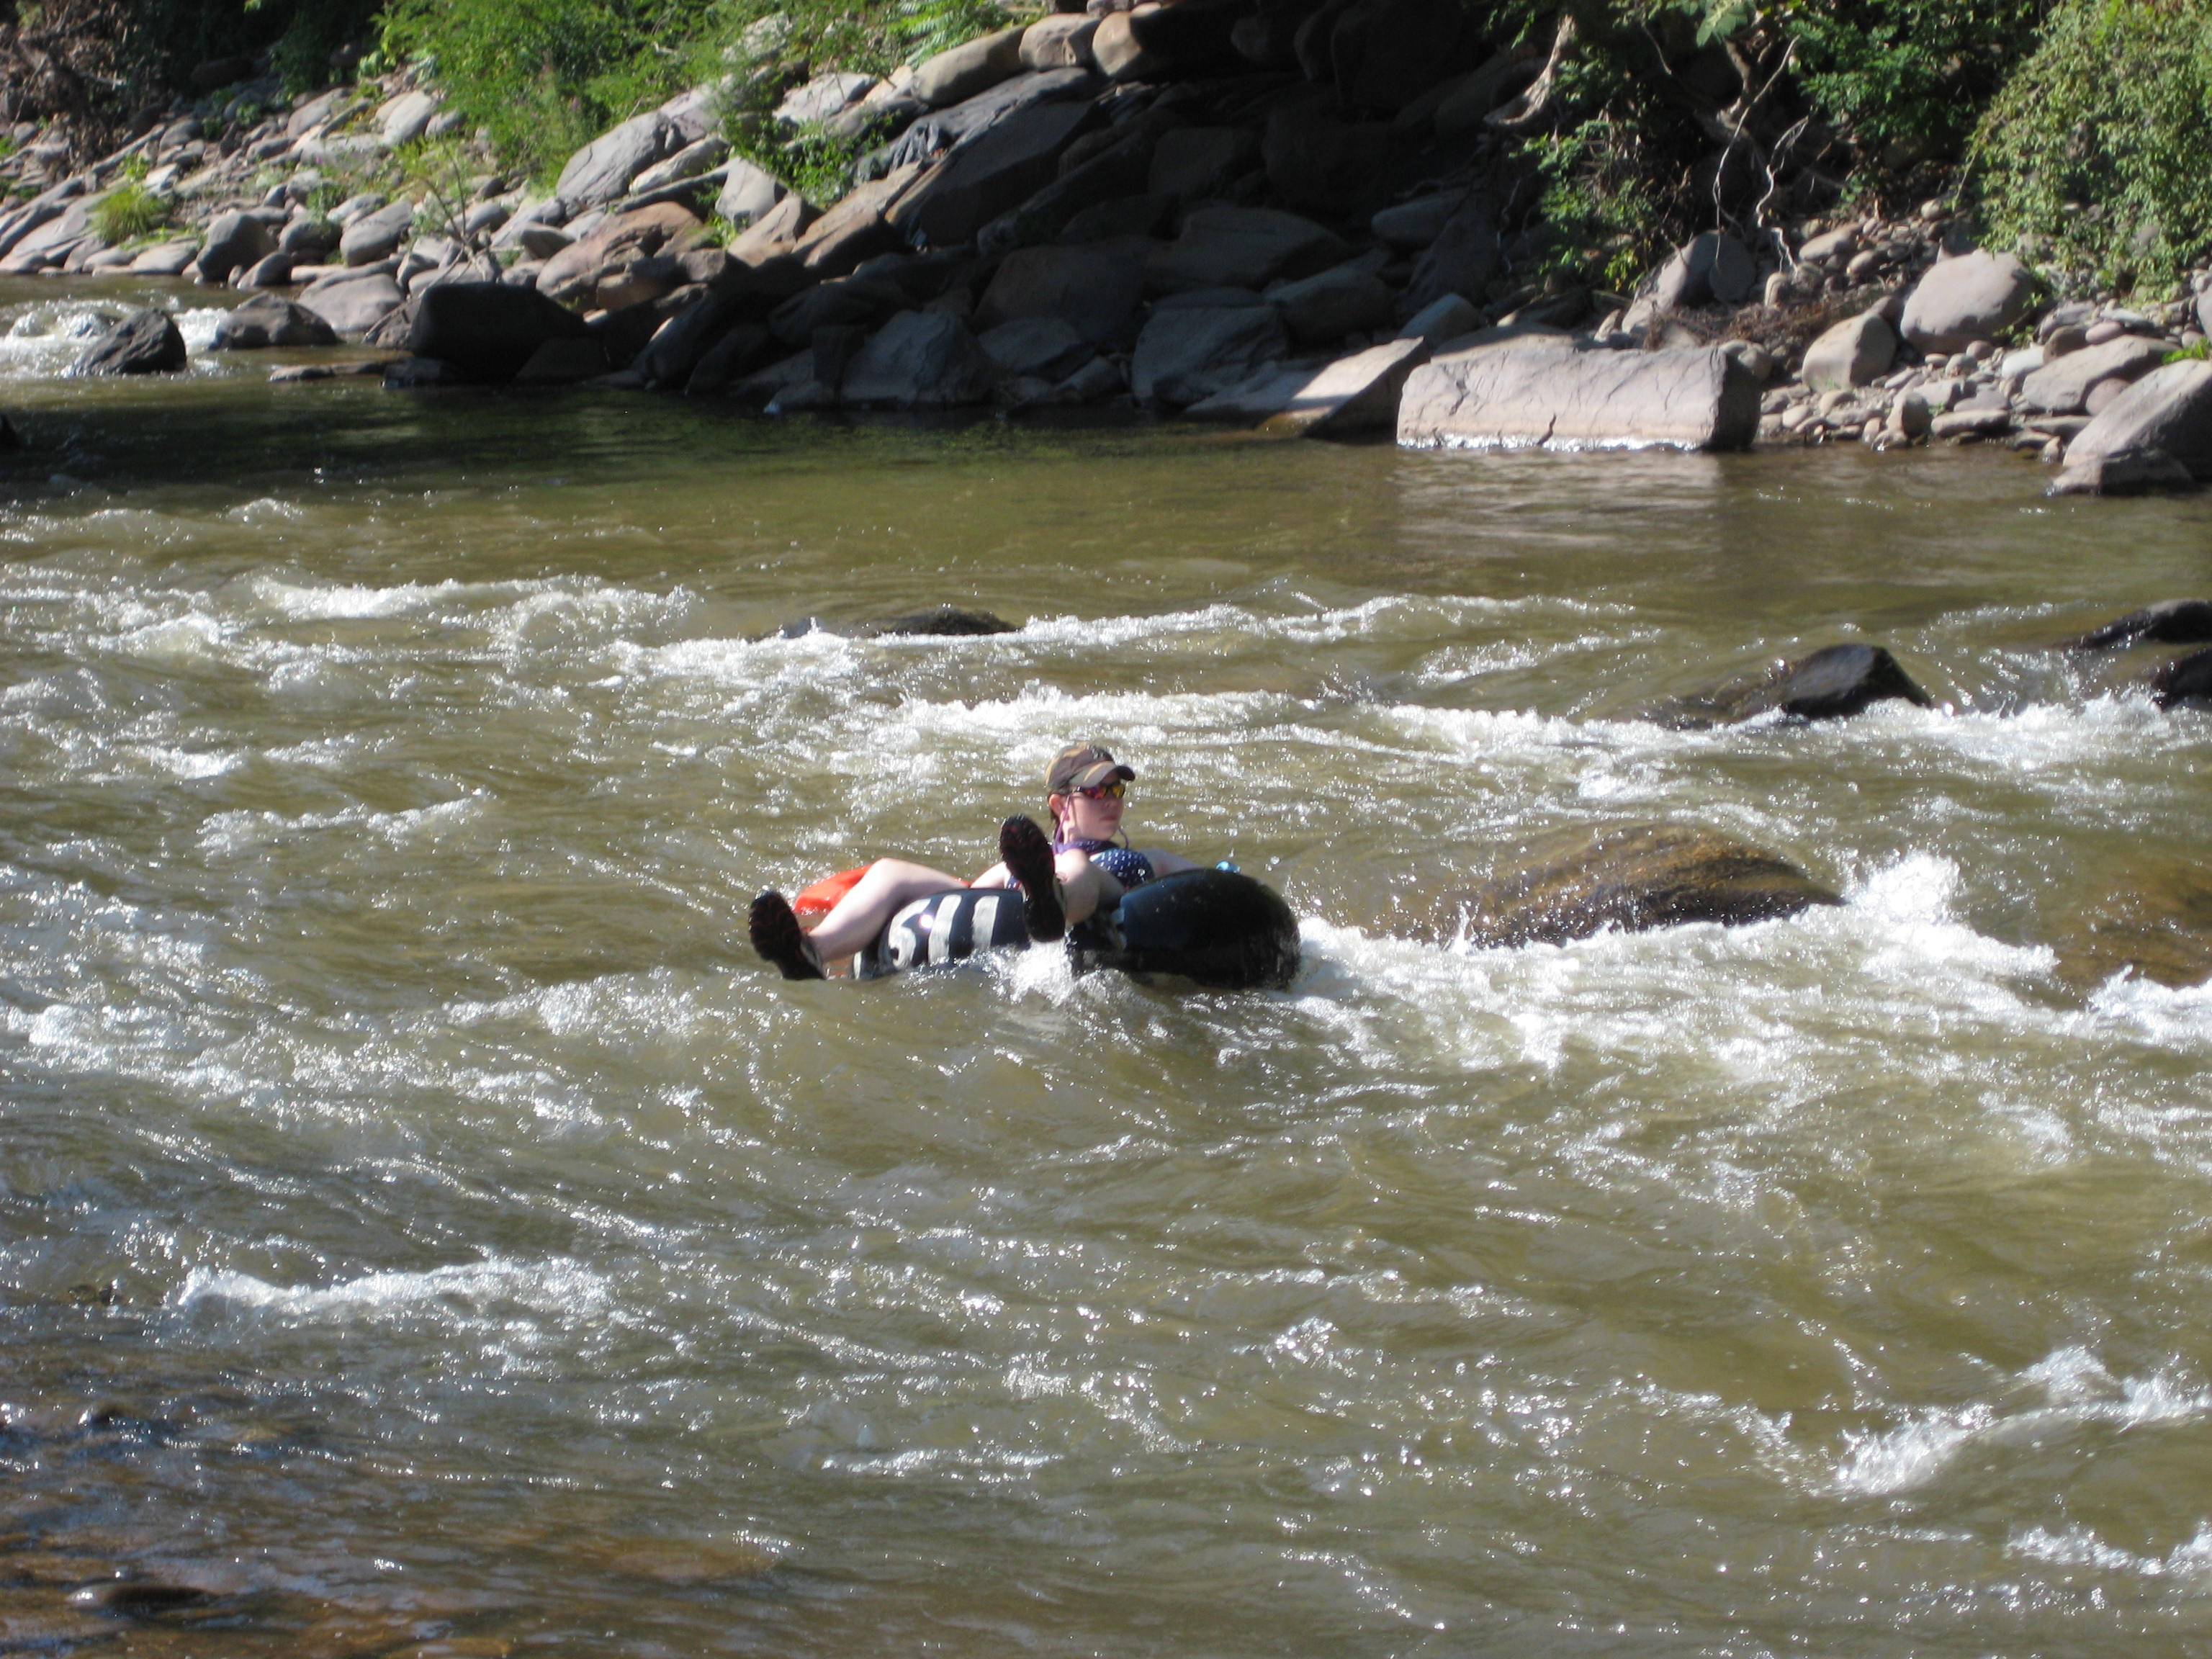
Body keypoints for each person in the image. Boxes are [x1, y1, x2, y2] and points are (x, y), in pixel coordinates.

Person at [749, 742, 1200, 980]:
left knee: (1079, 867)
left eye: (1117, 790)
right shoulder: (1020, 862)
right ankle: (812, 952)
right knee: (889, 869)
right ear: (1062, 805)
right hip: (1027, 888)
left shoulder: (1144, 859)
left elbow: (1207, 886)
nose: (1112, 801)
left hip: (1102, 894)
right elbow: (970, 898)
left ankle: (1053, 901)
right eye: (1098, 791)